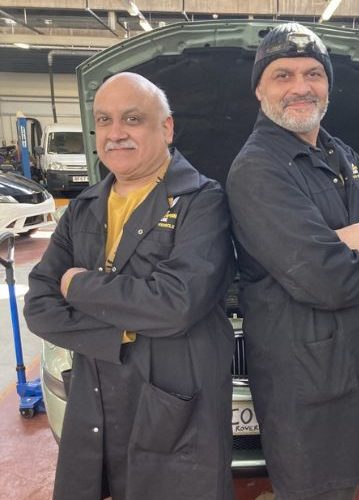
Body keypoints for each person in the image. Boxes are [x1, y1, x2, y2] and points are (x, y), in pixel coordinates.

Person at [226, 23, 359, 500]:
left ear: (328, 86)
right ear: (259, 89)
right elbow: (326, 279)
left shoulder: (340, 155)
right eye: (283, 75)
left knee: (345, 480)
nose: (301, 87)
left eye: (313, 73)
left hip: (353, 361)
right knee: (314, 487)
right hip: (305, 376)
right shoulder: (258, 168)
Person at [24, 72, 235, 500]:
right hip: (98, 393)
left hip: (176, 400)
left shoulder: (203, 201)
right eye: (104, 120)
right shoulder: (83, 208)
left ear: (167, 128)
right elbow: (39, 307)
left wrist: (79, 285)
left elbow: (175, 304)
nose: (115, 133)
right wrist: (120, 330)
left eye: (132, 119)